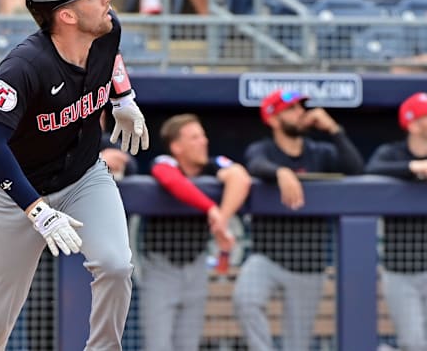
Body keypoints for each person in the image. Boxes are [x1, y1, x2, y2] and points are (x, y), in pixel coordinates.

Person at [0, 0, 150, 351]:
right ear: (66, 15)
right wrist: (36, 210)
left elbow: (112, 55)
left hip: (84, 176)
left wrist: (123, 95)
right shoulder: (24, 66)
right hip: (17, 192)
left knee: (117, 266)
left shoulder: (107, 27)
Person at [233, 89, 364, 351]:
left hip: (309, 264)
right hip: (267, 257)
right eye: (291, 109)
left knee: (297, 343)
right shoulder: (264, 150)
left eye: (301, 108)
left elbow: (357, 168)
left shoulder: (321, 152)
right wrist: (280, 171)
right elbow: (255, 163)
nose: (300, 113)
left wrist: (335, 129)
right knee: (245, 298)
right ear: (272, 119)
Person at [138, 113, 248, 351]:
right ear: (177, 146)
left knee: (188, 346)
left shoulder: (213, 165)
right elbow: (170, 180)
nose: (204, 141)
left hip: (196, 268)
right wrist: (210, 208)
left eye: (203, 136)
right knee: (157, 346)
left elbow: (240, 177)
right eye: (195, 137)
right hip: (161, 270)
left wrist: (222, 219)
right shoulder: (165, 162)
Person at [365, 92, 427, 351]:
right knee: (413, 344)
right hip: (400, 269)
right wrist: (413, 168)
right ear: (412, 124)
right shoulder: (392, 153)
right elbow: (369, 170)